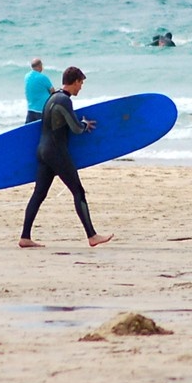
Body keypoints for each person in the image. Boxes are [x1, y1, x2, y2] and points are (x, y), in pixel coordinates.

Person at [20, 66, 113, 249]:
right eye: (81, 83)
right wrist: (85, 125)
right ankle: (92, 236)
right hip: (56, 152)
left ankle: (25, 237)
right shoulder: (64, 101)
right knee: (78, 192)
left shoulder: (51, 99)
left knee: (39, 194)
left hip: (43, 151)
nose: (81, 87)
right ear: (75, 81)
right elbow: (76, 129)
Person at [24, 57, 54, 123]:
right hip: (42, 110)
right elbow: (53, 92)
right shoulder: (43, 77)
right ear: (40, 66)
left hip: (30, 109)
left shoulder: (26, 77)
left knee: (29, 131)